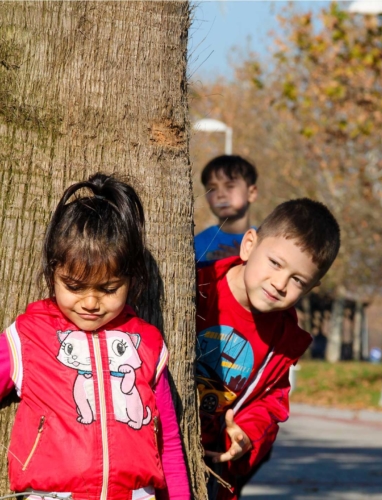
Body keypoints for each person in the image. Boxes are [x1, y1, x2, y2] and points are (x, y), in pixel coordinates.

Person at [0, 174, 190, 500]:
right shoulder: (26, 337)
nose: (90, 302)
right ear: (52, 274)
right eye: (73, 286)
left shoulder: (147, 344)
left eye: (108, 289)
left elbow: (168, 440)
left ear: (131, 280)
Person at [195, 198, 341, 500]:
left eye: (298, 280)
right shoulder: (197, 286)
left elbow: (271, 403)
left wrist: (246, 435)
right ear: (249, 245)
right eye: (275, 263)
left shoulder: (284, 341)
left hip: (211, 469)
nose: (279, 283)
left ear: (312, 287)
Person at [194, 155, 258, 263]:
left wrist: (243, 262)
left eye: (230, 186)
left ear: (251, 193)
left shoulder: (264, 243)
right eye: (212, 189)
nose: (220, 194)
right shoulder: (196, 245)